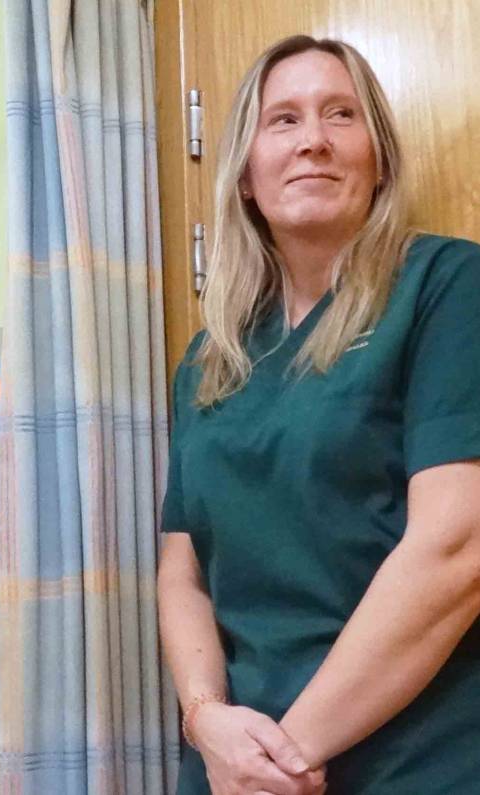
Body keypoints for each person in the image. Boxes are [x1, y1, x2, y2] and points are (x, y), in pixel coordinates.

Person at [158, 35, 480, 795]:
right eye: (284, 120)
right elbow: (184, 575)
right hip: (233, 769)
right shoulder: (211, 361)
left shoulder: (447, 288)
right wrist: (206, 721)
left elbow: (456, 550)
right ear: (243, 173)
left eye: (342, 114)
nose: (313, 141)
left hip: (409, 764)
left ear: (379, 161)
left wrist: (280, 760)